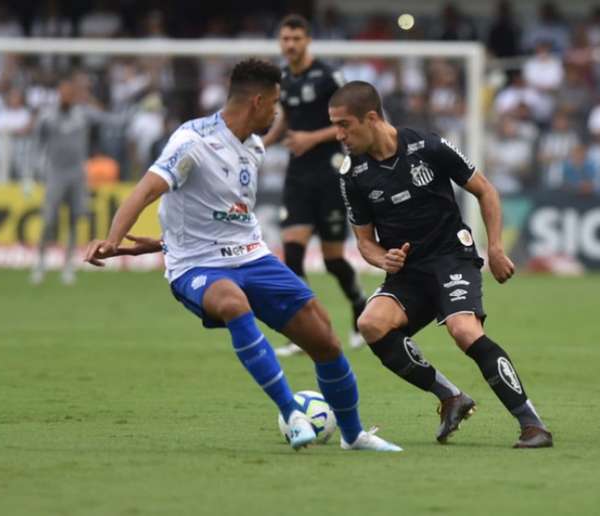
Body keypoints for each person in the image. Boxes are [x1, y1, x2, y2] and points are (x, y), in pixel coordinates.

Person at [83, 59, 400, 453]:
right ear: (257, 101)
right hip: (196, 265)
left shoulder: (253, 147)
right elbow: (146, 191)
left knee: (325, 339)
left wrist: (160, 241)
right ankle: (292, 413)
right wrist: (112, 239)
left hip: (251, 255)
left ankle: (353, 436)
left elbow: (222, 214)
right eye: (275, 103)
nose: (277, 112)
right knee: (233, 303)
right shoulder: (192, 142)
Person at [330, 81, 553, 448]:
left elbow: (485, 190)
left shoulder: (427, 145)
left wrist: (495, 248)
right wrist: (382, 258)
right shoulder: (352, 173)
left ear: (371, 118)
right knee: (370, 324)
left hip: (452, 257)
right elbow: (365, 242)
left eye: (344, 125)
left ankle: (533, 426)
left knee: (464, 331)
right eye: (334, 125)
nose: (338, 135)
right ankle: (451, 396)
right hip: (408, 272)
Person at [262, 14, 367, 356]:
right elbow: (287, 123)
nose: (290, 45)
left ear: (307, 41)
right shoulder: (283, 78)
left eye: (296, 39)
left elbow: (348, 122)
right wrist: (260, 143)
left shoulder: (327, 76)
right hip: (297, 176)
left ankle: (358, 306)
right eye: (285, 39)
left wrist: (312, 137)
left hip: (329, 174)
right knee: (292, 256)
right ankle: (305, 332)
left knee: (333, 260)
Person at [30, 78, 94, 285]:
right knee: (49, 220)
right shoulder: (47, 117)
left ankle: (68, 265)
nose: (66, 96)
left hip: (77, 174)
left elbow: (108, 120)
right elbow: (37, 144)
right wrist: (31, 174)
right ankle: (40, 262)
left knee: (75, 219)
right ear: (59, 93)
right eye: (63, 92)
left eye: (70, 92)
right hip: (55, 173)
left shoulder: (83, 114)